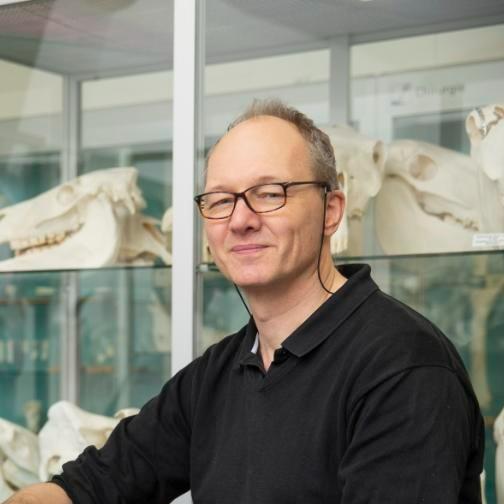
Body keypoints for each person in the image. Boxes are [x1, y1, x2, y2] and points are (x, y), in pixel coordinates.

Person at [5, 100, 485, 503]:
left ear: (331, 211)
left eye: (270, 193)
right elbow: (89, 487)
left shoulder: (403, 368)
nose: (240, 220)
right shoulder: (218, 374)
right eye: (220, 200)